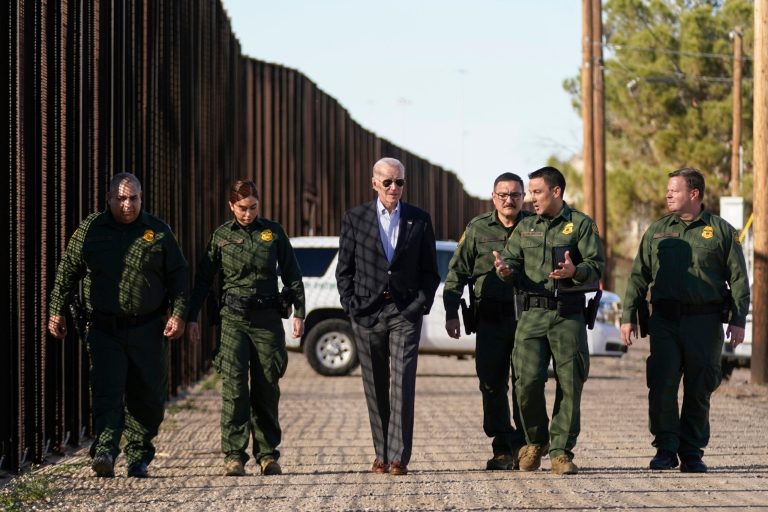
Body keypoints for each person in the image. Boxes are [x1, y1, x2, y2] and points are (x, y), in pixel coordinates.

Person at [48, 172, 188, 478]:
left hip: (148, 329)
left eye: (134, 198)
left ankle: (138, 455)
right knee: (107, 390)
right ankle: (106, 450)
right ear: (109, 199)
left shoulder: (158, 231)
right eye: (121, 199)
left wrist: (178, 314)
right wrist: (55, 311)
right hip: (104, 328)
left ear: (141, 198)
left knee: (148, 396)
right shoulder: (91, 230)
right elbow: (67, 271)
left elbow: (179, 276)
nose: (128, 205)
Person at [620, 167, 750, 473]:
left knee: (699, 386)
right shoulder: (657, 230)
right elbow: (639, 275)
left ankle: (692, 451)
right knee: (662, 384)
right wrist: (629, 316)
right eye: (667, 190)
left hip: (704, 323)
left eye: (674, 190)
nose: (667, 195)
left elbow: (739, 280)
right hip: (664, 321)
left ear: (694, 194)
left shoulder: (721, 231)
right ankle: (665, 448)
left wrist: (739, 319)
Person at [186, 179, 305, 477]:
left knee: (267, 386)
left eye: (253, 207)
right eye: (242, 208)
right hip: (233, 320)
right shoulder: (221, 237)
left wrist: (300, 313)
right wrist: (190, 318)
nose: (248, 214)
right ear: (231, 206)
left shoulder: (273, 233)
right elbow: (202, 280)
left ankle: (266, 454)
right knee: (235, 387)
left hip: (267, 320)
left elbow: (292, 275)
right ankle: (234, 455)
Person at [494, 166, 604, 475]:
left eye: (537, 192)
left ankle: (560, 451)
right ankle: (535, 441)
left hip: (568, 314)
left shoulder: (581, 225)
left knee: (570, 384)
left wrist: (575, 272)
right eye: (530, 192)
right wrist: (505, 270)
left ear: (556, 192)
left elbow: (596, 266)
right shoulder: (526, 227)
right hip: (531, 315)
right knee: (526, 383)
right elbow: (512, 262)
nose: (530, 199)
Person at [336, 157, 440, 476]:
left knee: (403, 383)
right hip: (367, 313)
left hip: (404, 312)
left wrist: (417, 306)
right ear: (374, 183)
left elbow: (430, 272)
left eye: (400, 182)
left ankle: (398, 456)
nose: (394, 188)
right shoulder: (355, 219)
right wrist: (353, 306)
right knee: (375, 384)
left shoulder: (419, 220)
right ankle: (380, 453)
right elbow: (345, 270)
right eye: (388, 182)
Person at [443, 172, 533, 471]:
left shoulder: (535, 226)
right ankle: (502, 448)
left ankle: (524, 446)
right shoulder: (478, 228)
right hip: (490, 319)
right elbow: (456, 271)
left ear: (524, 197)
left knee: (526, 384)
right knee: (492, 384)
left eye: (516, 195)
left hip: (529, 320)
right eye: (503, 195)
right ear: (493, 197)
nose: (509, 200)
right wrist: (451, 311)